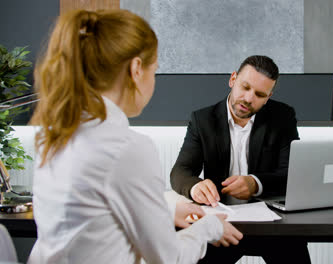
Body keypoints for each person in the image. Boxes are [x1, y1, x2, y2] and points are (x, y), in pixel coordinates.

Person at [28, 9, 242, 264]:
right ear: (136, 69)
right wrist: (210, 227)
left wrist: (166, 210)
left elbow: (95, 217)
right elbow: (169, 257)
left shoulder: (55, 136)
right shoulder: (127, 149)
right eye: (155, 70)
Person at [170, 55, 311, 263]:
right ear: (233, 79)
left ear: (268, 96)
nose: (248, 98)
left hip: (273, 225)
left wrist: (255, 184)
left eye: (260, 94)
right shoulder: (202, 120)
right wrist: (195, 187)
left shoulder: (283, 117)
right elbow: (180, 171)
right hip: (222, 221)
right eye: (245, 87)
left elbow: (290, 173)